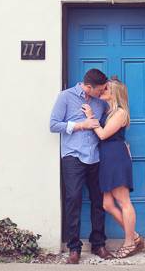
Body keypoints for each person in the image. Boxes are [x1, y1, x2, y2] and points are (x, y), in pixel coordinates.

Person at [49, 68, 114, 264]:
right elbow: (53, 125)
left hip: (95, 156)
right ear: (88, 87)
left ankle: (98, 244)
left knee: (98, 200)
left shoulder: (101, 102)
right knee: (73, 200)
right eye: (100, 89)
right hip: (73, 157)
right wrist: (80, 125)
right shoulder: (66, 97)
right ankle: (74, 248)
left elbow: (106, 127)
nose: (103, 92)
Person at [81, 77, 144, 258]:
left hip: (115, 158)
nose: (102, 90)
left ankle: (130, 242)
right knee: (107, 204)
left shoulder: (120, 113)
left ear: (114, 92)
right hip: (107, 158)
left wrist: (90, 117)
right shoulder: (110, 111)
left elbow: (102, 134)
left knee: (124, 202)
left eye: (106, 88)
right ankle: (136, 236)